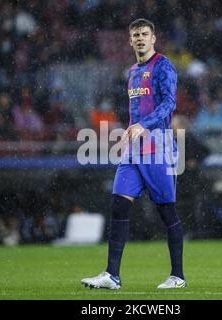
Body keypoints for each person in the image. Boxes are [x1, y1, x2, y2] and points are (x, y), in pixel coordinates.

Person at [81, 18, 186, 290]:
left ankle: (178, 276)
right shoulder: (132, 71)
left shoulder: (163, 65)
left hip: (158, 148)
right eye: (135, 35)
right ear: (130, 41)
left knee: (166, 212)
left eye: (145, 34)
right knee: (119, 205)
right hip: (134, 151)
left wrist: (143, 124)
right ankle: (112, 275)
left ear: (153, 38)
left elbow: (169, 103)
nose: (140, 38)